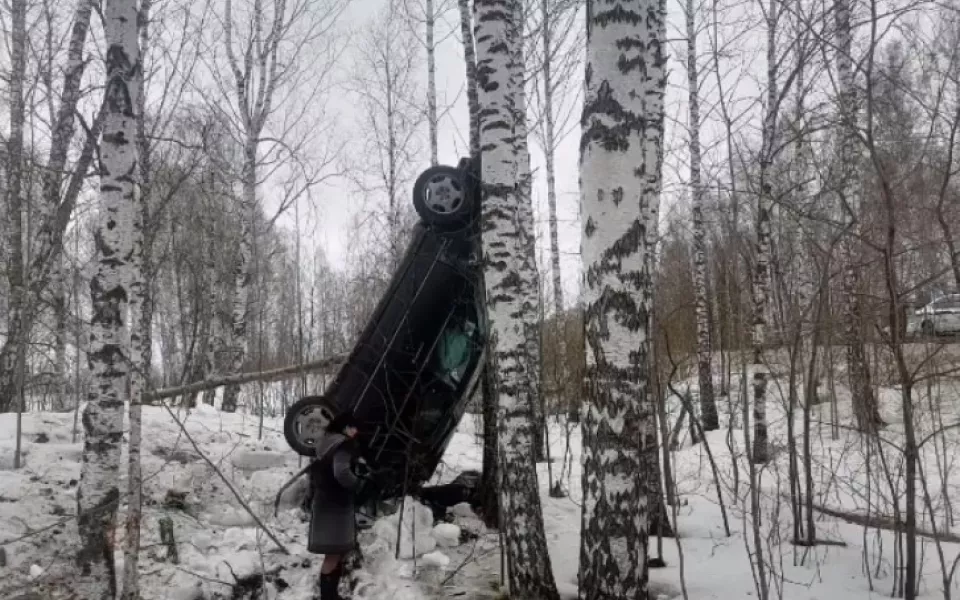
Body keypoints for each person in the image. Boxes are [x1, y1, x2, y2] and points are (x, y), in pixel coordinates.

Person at [307, 412, 366, 599]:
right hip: (336, 506)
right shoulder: (343, 445)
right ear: (346, 427)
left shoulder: (325, 442)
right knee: (333, 554)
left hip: (324, 502)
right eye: (354, 427)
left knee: (335, 553)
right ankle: (328, 597)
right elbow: (341, 473)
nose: (356, 432)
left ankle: (330, 594)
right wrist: (359, 484)